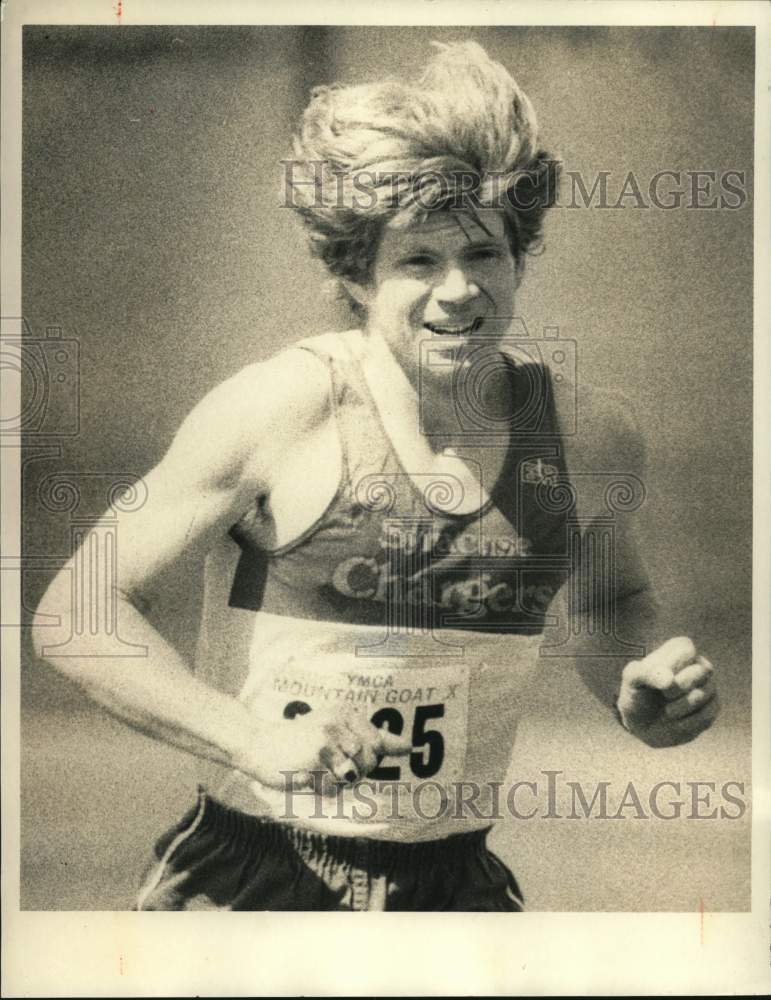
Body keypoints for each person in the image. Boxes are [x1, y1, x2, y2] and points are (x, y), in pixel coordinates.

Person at [33, 41, 719, 911]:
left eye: (483, 254)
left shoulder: (586, 435)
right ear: (356, 276)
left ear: (519, 256)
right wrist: (247, 739)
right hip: (251, 874)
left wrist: (640, 687)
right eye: (418, 261)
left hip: (455, 884)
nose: (458, 291)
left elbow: (611, 605)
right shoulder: (279, 408)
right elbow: (75, 610)